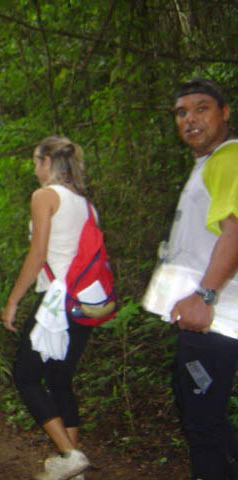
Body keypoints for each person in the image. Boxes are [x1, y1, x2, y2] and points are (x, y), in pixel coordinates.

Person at [1, 136, 93, 480]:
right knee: (60, 381)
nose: (34, 168)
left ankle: (70, 456)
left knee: (25, 376)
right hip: (83, 304)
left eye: (35, 161)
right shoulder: (85, 203)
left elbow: (38, 255)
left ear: (46, 162)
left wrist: (13, 301)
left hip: (54, 303)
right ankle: (74, 469)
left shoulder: (44, 196)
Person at [164, 77, 238, 480]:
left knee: (202, 427)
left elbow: (236, 229)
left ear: (225, 113)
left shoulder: (228, 156)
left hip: (217, 315)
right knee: (206, 420)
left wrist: (205, 296)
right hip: (205, 316)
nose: (190, 118)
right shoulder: (208, 165)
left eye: (202, 108)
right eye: (181, 112)